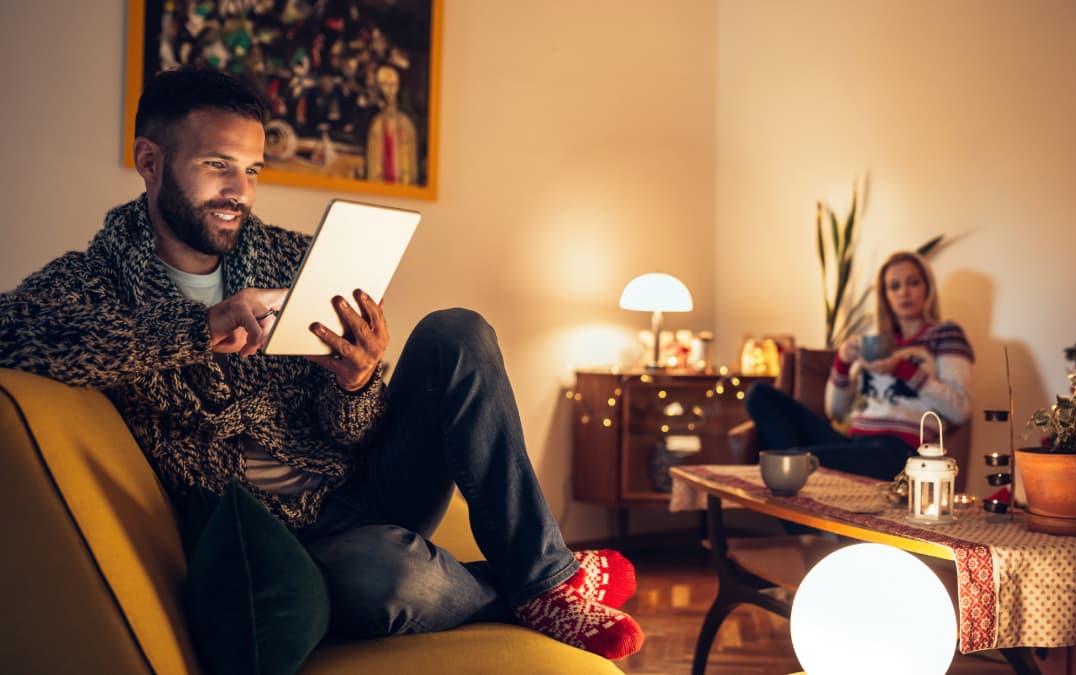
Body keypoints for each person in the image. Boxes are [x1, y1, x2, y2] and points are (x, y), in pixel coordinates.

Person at [0, 67, 641, 660]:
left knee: (458, 332)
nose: (239, 191)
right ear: (150, 161)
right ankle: (535, 584)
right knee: (387, 576)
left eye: (252, 170)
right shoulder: (89, 283)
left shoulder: (293, 259)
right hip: (291, 542)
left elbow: (355, 432)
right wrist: (198, 328)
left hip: (367, 485)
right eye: (216, 166)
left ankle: (545, 584)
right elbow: (16, 334)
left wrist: (357, 380)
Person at [746, 251, 973, 481]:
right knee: (759, 395)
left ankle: (797, 472)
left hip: (898, 450)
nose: (904, 292)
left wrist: (901, 368)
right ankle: (799, 472)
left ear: (927, 287)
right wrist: (842, 363)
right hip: (853, 443)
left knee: (794, 461)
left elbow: (960, 408)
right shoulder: (875, 342)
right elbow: (834, 411)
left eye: (913, 283)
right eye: (894, 286)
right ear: (885, 295)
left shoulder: (945, 335)